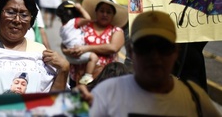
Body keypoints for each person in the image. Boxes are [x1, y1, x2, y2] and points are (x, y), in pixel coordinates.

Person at [90, 11, 220, 116]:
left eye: (164, 48)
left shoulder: (194, 97)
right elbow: (72, 109)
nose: (155, 57)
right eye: (144, 47)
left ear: (176, 52)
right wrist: (74, 101)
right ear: (130, 51)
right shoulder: (106, 93)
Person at [61, 0, 127, 88]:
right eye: (102, 11)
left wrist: (86, 48)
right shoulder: (85, 25)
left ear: (113, 15)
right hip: (78, 75)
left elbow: (113, 47)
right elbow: (67, 40)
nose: (105, 14)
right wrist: (65, 51)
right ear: (96, 11)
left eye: (108, 12)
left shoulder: (116, 31)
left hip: (105, 78)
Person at [56, 0, 99, 85]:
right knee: (93, 57)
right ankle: (87, 76)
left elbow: (64, 43)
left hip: (70, 57)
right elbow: (88, 19)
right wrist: (80, 8)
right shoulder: (74, 22)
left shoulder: (62, 29)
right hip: (78, 54)